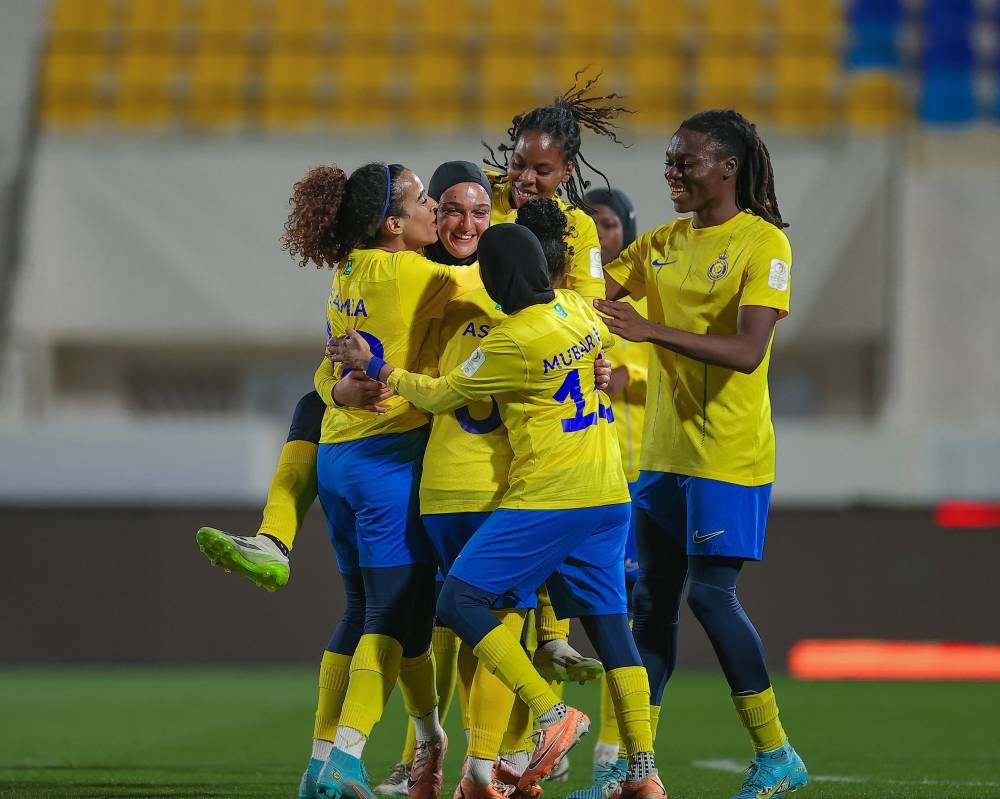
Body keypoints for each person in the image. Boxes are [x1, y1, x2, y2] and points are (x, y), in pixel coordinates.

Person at [336, 224, 668, 799]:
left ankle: (550, 712)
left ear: (492, 281)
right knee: (613, 630)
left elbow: (440, 395)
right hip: (609, 494)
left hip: (549, 496)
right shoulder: (576, 309)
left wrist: (379, 366)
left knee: (458, 602)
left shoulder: (511, 341)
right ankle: (643, 773)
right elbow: (600, 352)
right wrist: (597, 369)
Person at [595, 109, 808, 799]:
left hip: (728, 454)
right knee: (651, 603)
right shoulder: (660, 243)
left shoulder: (763, 243)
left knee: (711, 598)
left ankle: (776, 752)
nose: (672, 173)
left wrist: (650, 329)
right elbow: (588, 297)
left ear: (727, 167)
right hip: (663, 453)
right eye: (669, 161)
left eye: (684, 161)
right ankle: (637, 768)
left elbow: (748, 351)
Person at [295, 161, 482, 799]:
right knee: (389, 613)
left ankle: (320, 764)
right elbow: (499, 280)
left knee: (362, 609)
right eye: (426, 200)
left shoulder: (348, 269)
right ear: (394, 223)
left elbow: (327, 369)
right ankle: (348, 759)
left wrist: (336, 391)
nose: (438, 209)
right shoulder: (410, 273)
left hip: (337, 457)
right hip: (388, 460)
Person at [482, 76, 627, 748]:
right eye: (519, 163)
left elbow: (589, 312)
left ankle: (526, 735)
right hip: (485, 392)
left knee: (498, 584)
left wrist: (597, 361)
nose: (526, 178)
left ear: (568, 173)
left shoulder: (575, 228)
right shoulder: (484, 200)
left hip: (533, 395)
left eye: (542, 170)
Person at [569, 187, 650, 799]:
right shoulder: (570, 293)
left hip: (633, 473)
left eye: (610, 223)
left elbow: (670, 365)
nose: (600, 233)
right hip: (572, 472)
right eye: (591, 223)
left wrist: (632, 373)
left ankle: (613, 753)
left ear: (628, 231)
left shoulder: (641, 298)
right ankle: (536, 745)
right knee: (551, 613)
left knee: (620, 612)